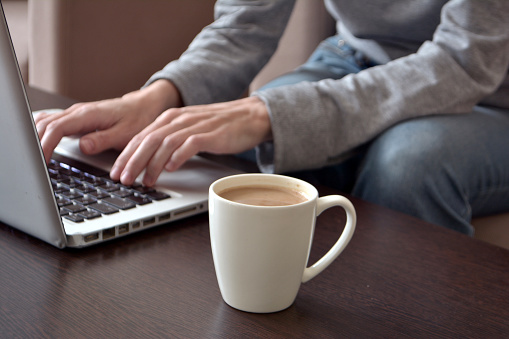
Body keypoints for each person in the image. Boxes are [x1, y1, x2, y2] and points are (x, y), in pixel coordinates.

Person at [34, 0, 509, 235]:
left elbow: (467, 63)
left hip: (489, 88)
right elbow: (245, 22)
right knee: (206, 140)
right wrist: (161, 97)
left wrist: (269, 113)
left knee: (408, 165)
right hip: (355, 59)